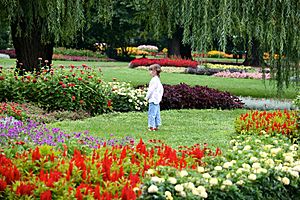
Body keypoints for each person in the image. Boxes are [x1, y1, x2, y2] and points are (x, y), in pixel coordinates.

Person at [146, 64, 164, 131]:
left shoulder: (153, 80)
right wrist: (159, 97)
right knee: (156, 113)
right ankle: (156, 125)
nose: (150, 72)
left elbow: (150, 90)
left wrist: (146, 97)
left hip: (153, 99)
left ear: (155, 71)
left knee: (152, 114)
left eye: (151, 70)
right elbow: (161, 89)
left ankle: (151, 126)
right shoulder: (158, 80)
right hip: (157, 100)